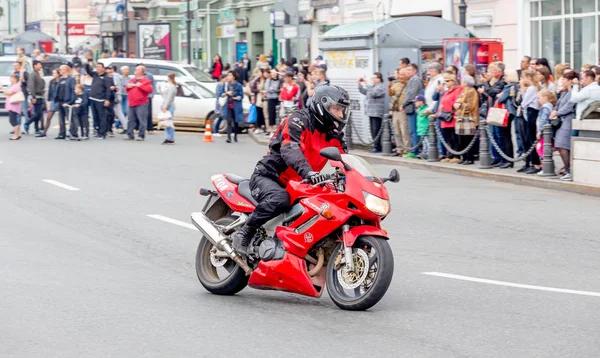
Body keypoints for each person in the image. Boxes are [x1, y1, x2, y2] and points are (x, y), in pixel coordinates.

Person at [230, 85, 350, 254]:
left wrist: (362, 180)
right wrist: (308, 172)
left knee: (326, 205)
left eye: (342, 110)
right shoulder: (298, 120)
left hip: (301, 184)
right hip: (271, 177)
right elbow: (290, 149)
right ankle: (244, 233)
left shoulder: (333, 134)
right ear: (323, 105)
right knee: (280, 199)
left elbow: (345, 159)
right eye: (336, 109)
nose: (340, 115)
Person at [552, 70, 577, 181]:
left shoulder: (572, 92)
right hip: (563, 120)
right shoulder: (565, 92)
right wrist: (554, 110)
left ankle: (569, 170)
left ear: (570, 81)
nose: (563, 81)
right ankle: (567, 169)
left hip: (568, 120)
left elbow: (569, 105)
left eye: (565, 80)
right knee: (561, 144)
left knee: (563, 144)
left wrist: (558, 112)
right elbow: (559, 103)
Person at [453, 75, 479, 165]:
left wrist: (460, 105)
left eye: (462, 81)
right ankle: (464, 157)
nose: (461, 82)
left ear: (466, 82)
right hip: (462, 117)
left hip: (468, 117)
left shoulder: (472, 91)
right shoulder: (463, 91)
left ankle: (469, 158)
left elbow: (471, 105)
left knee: (468, 138)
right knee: (462, 139)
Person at [359, 72, 387, 153]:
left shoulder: (381, 87)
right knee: (372, 130)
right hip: (371, 111)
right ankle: (375, 145)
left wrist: (367, 85)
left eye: (374, 78)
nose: (372, 80)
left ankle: (377, 146)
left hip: (377, 111)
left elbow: (374, 93)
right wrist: (360, 86)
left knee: (376, 130)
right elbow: (365, 92)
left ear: (379, 79)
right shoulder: (372, 87)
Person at [124, 65, 153, 141]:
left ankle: (141, 135)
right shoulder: (132, 80)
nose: (135, 70)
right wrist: (128, 86)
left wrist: (141, 86)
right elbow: (127, 89)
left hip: (141, 103)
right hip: (132, 102)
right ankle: (130, 134)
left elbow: (149, 90)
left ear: (142, 71)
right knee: (131, 119)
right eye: (136, 69)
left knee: (142, 119)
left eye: (137, 69)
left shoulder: (146, 80)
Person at [86, 62, 114, 139]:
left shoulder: (106, 78)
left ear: (103, 68)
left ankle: (102, 133)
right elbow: (88, 72)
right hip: (93, 98)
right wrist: (87, 64)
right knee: (95, 117)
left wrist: (107, 99)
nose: (97, 68)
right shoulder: (95, 75)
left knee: (102, 116)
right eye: (96, 67)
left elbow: (108, 89)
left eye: (99, 67)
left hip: (101, 99)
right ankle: (98, 131)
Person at [402, 63, 425, 158]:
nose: (407, 72)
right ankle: (414, 149)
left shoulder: (415, 80)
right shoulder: (411, 80)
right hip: (410, 107)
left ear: (414, 71)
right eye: (406, 70)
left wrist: (403, 104)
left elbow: (411, 94)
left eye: (409, 70)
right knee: (412, 130)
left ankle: (415, 150)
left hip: (412, 106)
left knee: (413, 130)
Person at [389, 68, 409, 156]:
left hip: (403, 111)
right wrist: (389, 85)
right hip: (395, 111)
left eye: (403, 75)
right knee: (396, 131)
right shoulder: (395, 85)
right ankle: (399, 149)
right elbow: (390, 94)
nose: (401, 77)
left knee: (404, 131)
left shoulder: (409, 85)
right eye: (400, 75)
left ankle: (407, 149)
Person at [221, 72, 244, 143]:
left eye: (230, 75)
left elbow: (241, 95)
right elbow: (221, 94)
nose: (228, 76)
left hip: (236, 105)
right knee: (228, 121)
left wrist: (237, 97)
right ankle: (228, 137)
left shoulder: (238, 85)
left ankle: (235, 136)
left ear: (234, 77)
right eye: (228, 75)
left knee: (235, 121)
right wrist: (226, 93)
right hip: (228, 106)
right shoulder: (225, 85)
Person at [54, 65, 76, 140]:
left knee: (70, 118)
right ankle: (62, 133)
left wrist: (71, 101)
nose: (59, 71)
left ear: (65, 70)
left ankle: (73, 133)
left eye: (61, 69)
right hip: (60, 101)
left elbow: (73, 91)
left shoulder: (71, 79)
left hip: (67, 101)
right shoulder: (60, 79)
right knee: (61, 119)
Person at [24, 60, 45, 135]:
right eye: (39, 65)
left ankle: (36, 129)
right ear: (35, 65)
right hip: (36, 96)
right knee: (38, 113)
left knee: (38, 113)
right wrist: (33, 96)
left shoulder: (37, 74)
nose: (41, 66)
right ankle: (27, 123)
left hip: (39, 95)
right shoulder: (33, 74)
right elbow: (31, 86)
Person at [38, 69, 60, 138]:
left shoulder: (61, 81)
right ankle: (44, 132)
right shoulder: (52, 81)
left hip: (59, 100)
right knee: (48, 117)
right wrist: (49, 101)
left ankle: (62, 132)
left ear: (58, 74)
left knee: (61, 118)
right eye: (53, 73)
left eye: (55, 73)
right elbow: (50, 92)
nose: (53, 75)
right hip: (53, 100)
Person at [3, 74, 23, 140]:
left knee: (12, 120)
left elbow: (9, 93)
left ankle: (16, 135)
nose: (10, 79)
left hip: (14, 106)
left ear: (15, 79)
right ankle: (17, 134)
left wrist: (2, 89)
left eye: (12, 78)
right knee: (13, 120)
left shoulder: (16, 86)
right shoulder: (14, 86)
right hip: (12, 105)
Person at [160, 73, 177, 145]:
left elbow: (168, 98)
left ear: (169, 78)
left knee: (169, 123)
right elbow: (164, 96)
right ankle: (168, 138)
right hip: (168, 105)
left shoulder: (171, 87)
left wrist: (165, 107)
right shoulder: (171, 86)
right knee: (167, 123)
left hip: (169, 106)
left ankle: (170, 138)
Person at [265, 70, 282, 135]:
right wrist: (276, 90)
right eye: (272, 73)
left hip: (277, 98)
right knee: (271, 113)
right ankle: (271, 129)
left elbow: (280, 89)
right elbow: (268, 89)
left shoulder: (279, 81)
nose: (273, 74)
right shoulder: (268, 81)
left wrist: (274, 89)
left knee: (277, 114)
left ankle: (276, 128)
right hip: (270, 98)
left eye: (274, 73)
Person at [414, 95, 429, 159]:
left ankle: (428, 153)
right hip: (421, 129)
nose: (415, 103)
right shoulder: (419, 109)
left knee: (427, 142)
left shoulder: (426, 109)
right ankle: (424, 153)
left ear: (421, 102)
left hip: (425, 129)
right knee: (424, 142)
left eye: (416, 101)